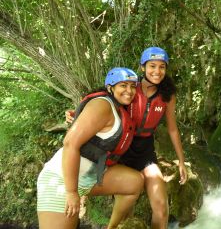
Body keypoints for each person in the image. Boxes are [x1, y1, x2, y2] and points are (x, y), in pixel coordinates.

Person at [66, 47, 188, 229]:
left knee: (161, 207)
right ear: (142, 68)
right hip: (120, 148)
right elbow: (104, 103)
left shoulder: (167, 95)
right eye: (152, 66)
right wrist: (76, 114)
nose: (157, 71)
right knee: (126, 211)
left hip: (145, 150)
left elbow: (172, 129)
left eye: (162, 67)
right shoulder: (130, 87)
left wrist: (181, 161)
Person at [38, 67, 144, 229]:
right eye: (123, 85)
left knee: (134, 183)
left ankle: (112, 227)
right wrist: (71, 192)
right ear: (111, 87)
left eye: (132, 86)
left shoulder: (117, 108)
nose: (129, 91)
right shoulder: (102, 105)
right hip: (62, 181)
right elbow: (70, 144)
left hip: (90, 179)